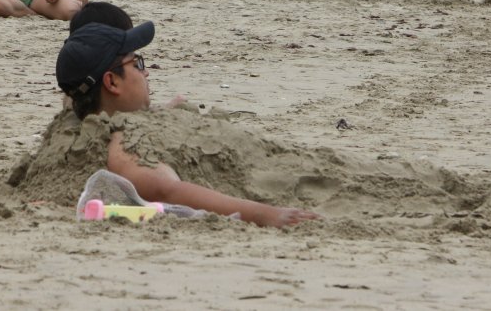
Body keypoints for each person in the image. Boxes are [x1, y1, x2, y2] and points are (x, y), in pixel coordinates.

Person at [56, 21, 320, 227]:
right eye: (136, 63)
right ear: (112, 82)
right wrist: (265, 214)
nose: (146, 71)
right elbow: (167, 190)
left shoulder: (89, 117)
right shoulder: (120, 145)